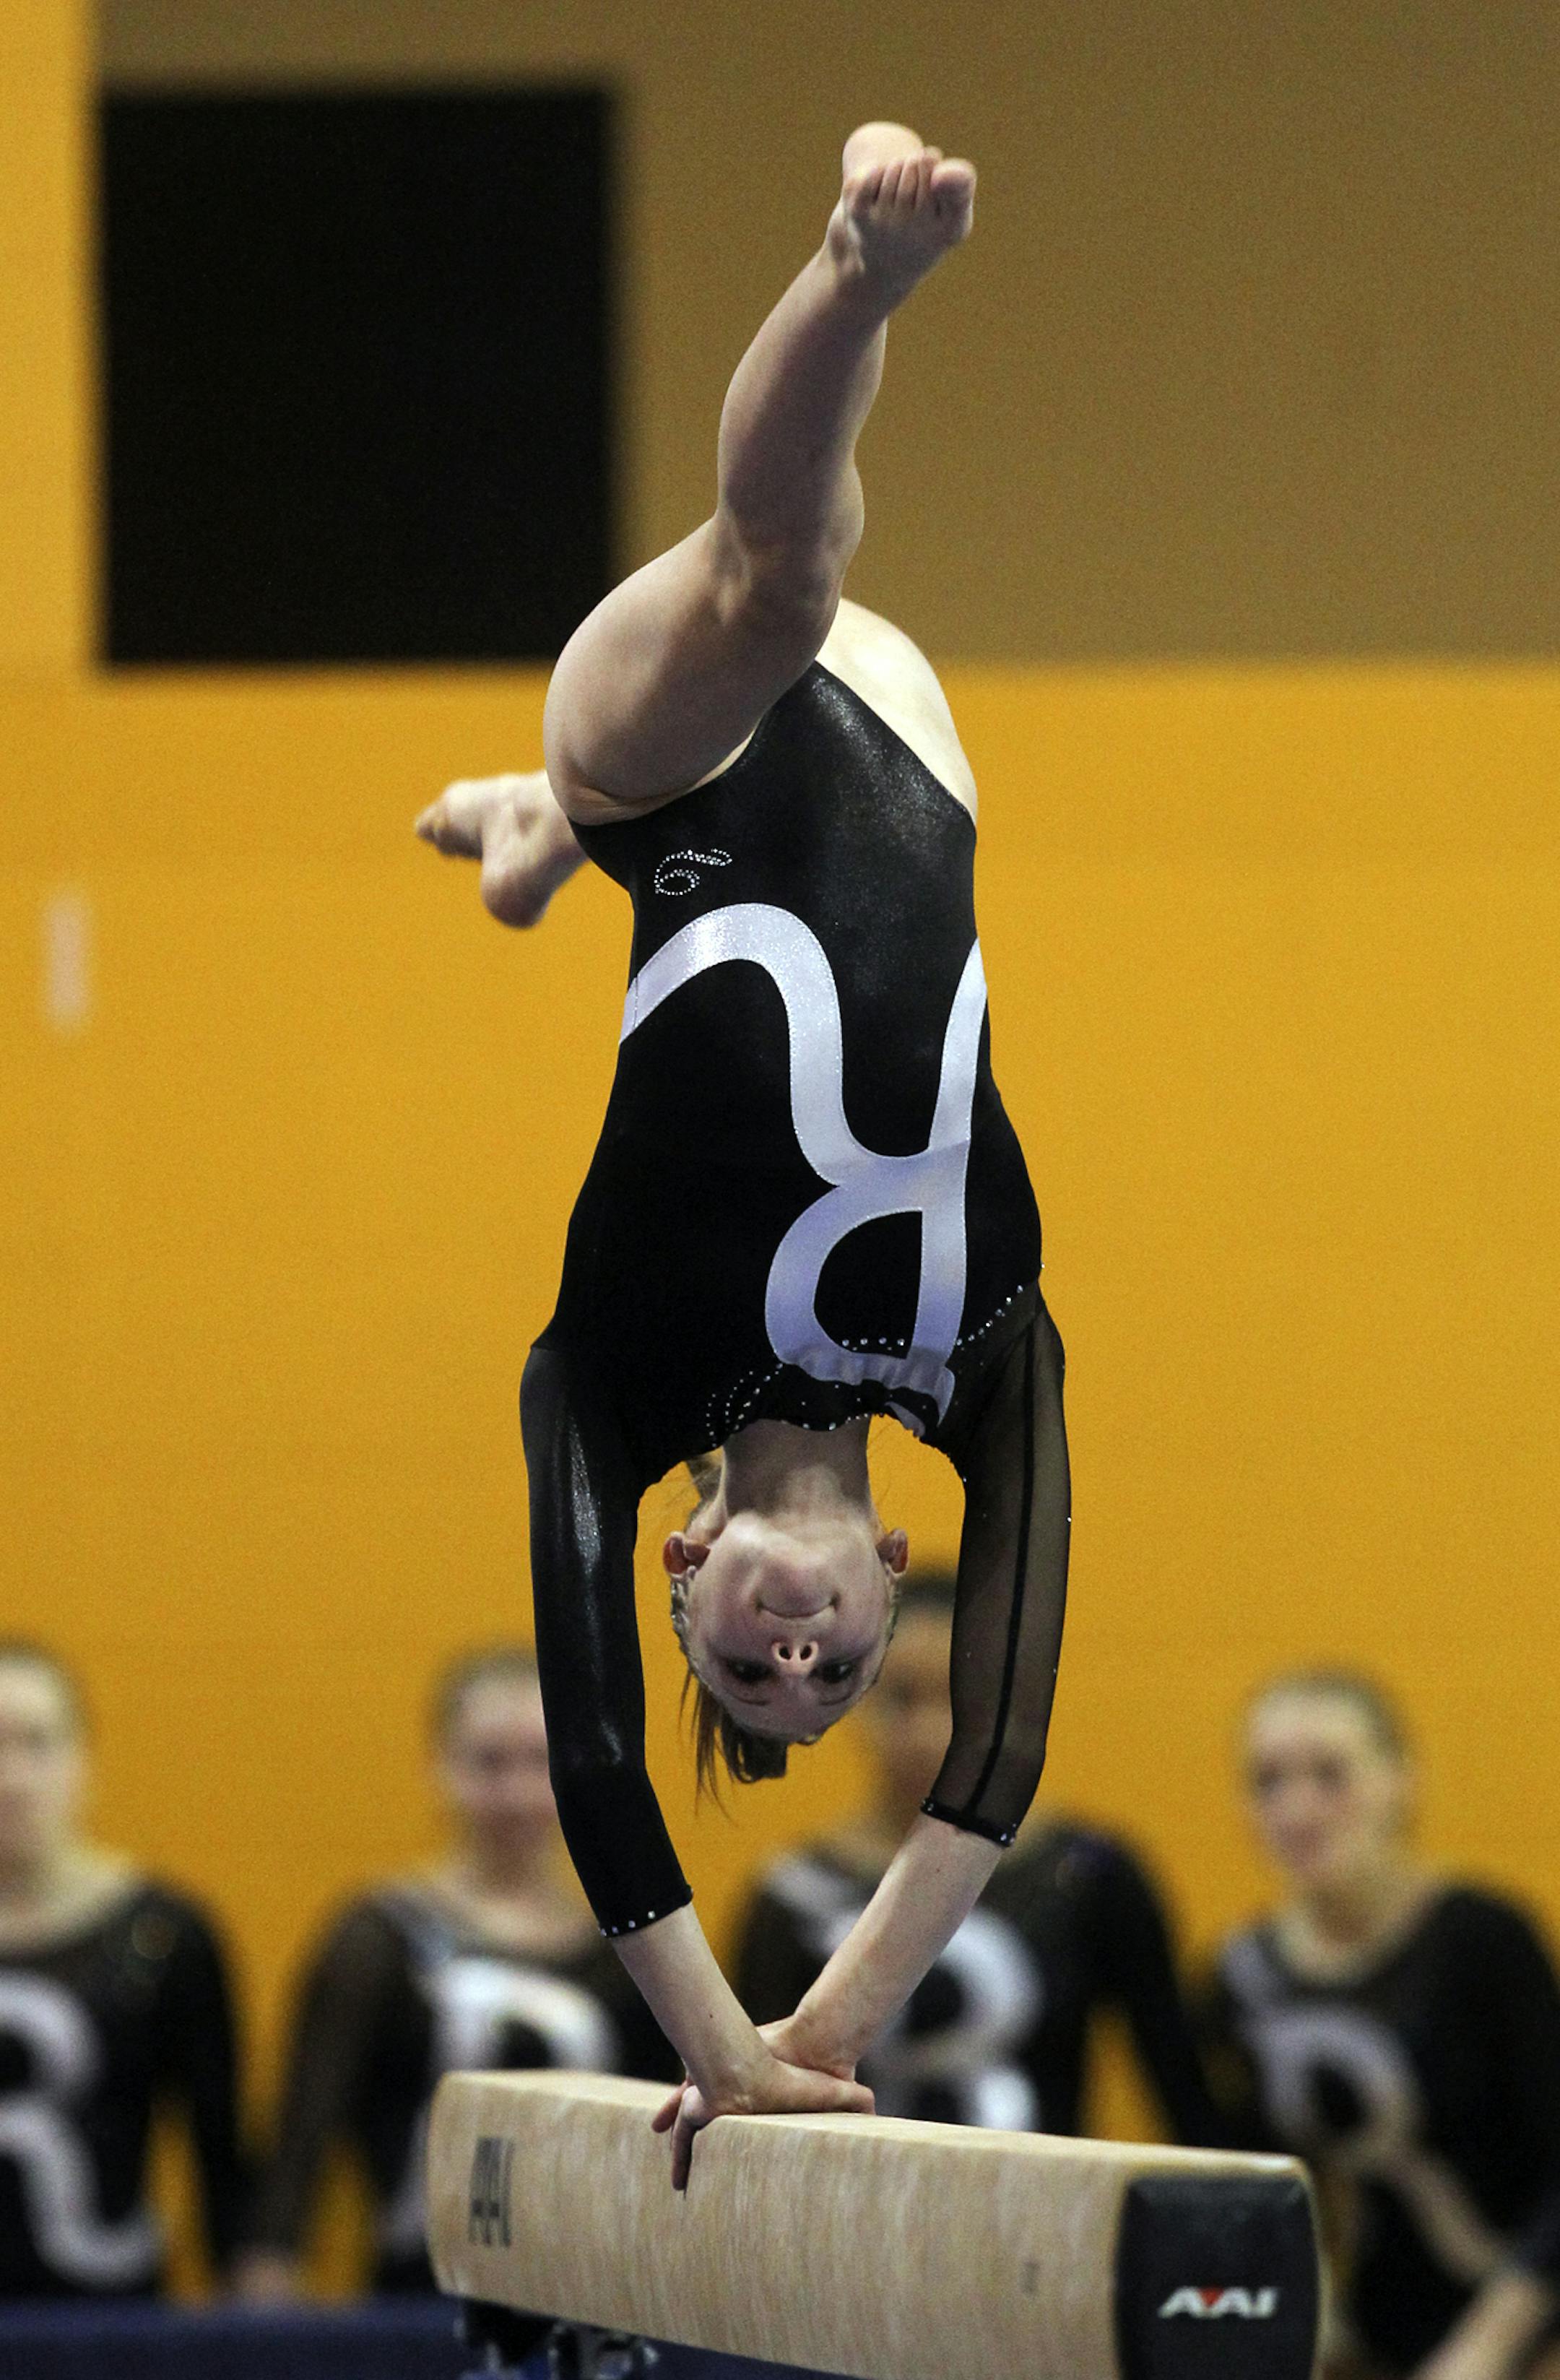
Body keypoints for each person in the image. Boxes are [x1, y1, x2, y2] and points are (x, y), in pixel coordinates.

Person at [417, 121, 1070, 2187]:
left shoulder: (612, 1374)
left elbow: (600, 1758)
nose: (797, 1653)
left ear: (682, 1569)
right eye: (834, 1663)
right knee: (797, 603)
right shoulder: (994, 1363)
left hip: (676, 758)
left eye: (747, 1660)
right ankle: (534, 843)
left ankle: (851, 274)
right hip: (904, 743)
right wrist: (835, 2028)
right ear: (896, 1578)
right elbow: (993, 1763)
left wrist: (726, 2048)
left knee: (771, 574)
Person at [238, 1648, 677, 2295]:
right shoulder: (377, 1938)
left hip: (593, 2303)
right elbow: (302, 2137)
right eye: (489, 1763)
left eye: (540, 1761)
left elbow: (674, 2144)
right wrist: (267, 2276)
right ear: (439, 1766)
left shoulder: (637, 1945)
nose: (517, 1794)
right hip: (416, 2302)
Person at [734, 1568, 1220, 2142]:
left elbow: (1182, 2094)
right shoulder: (795, 1893)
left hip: (1042, 2220)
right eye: (900, 1698)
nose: (925, 1730)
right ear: (850, 1698)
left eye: (954, 1696)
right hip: (860, 2221)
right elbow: (753, 2108)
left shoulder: (1087, 1874)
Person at [1199, 1669, 1560, 2380]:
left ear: (1402, 1780)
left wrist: (1491, 2347)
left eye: (1331, 1774)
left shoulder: (1483, 1941)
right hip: (1369, 2345)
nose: (1298, 1808)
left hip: (1526, 2328)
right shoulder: (1241, 1978)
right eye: (1269, 1779)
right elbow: (1251, 2198)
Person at [0, 1640, 246, 2297]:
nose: (12, 1779)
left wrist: (247, 2305)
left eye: (37, 1744)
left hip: (112, 2325)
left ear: (84, 1761)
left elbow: (217, 2153)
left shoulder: (166, 1934)